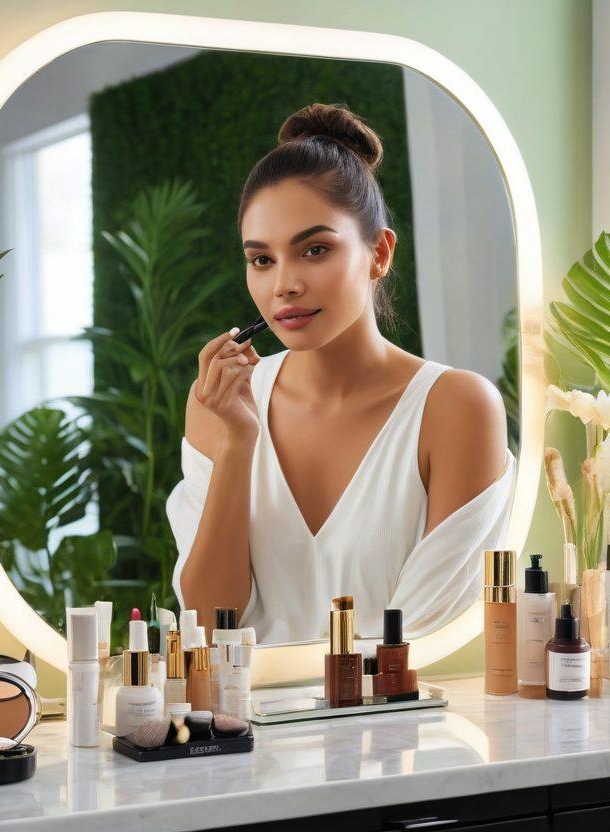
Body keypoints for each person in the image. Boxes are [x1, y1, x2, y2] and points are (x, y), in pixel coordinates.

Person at [166, 103, 514, 643]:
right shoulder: (221, 403)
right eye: (262, 259)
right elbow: (210, 627)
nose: (284, 284)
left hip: (402, 725)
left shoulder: (456, 408)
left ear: (379, 252)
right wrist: (238, 443)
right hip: (247, 724)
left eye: (315, 249)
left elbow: (426, 639)